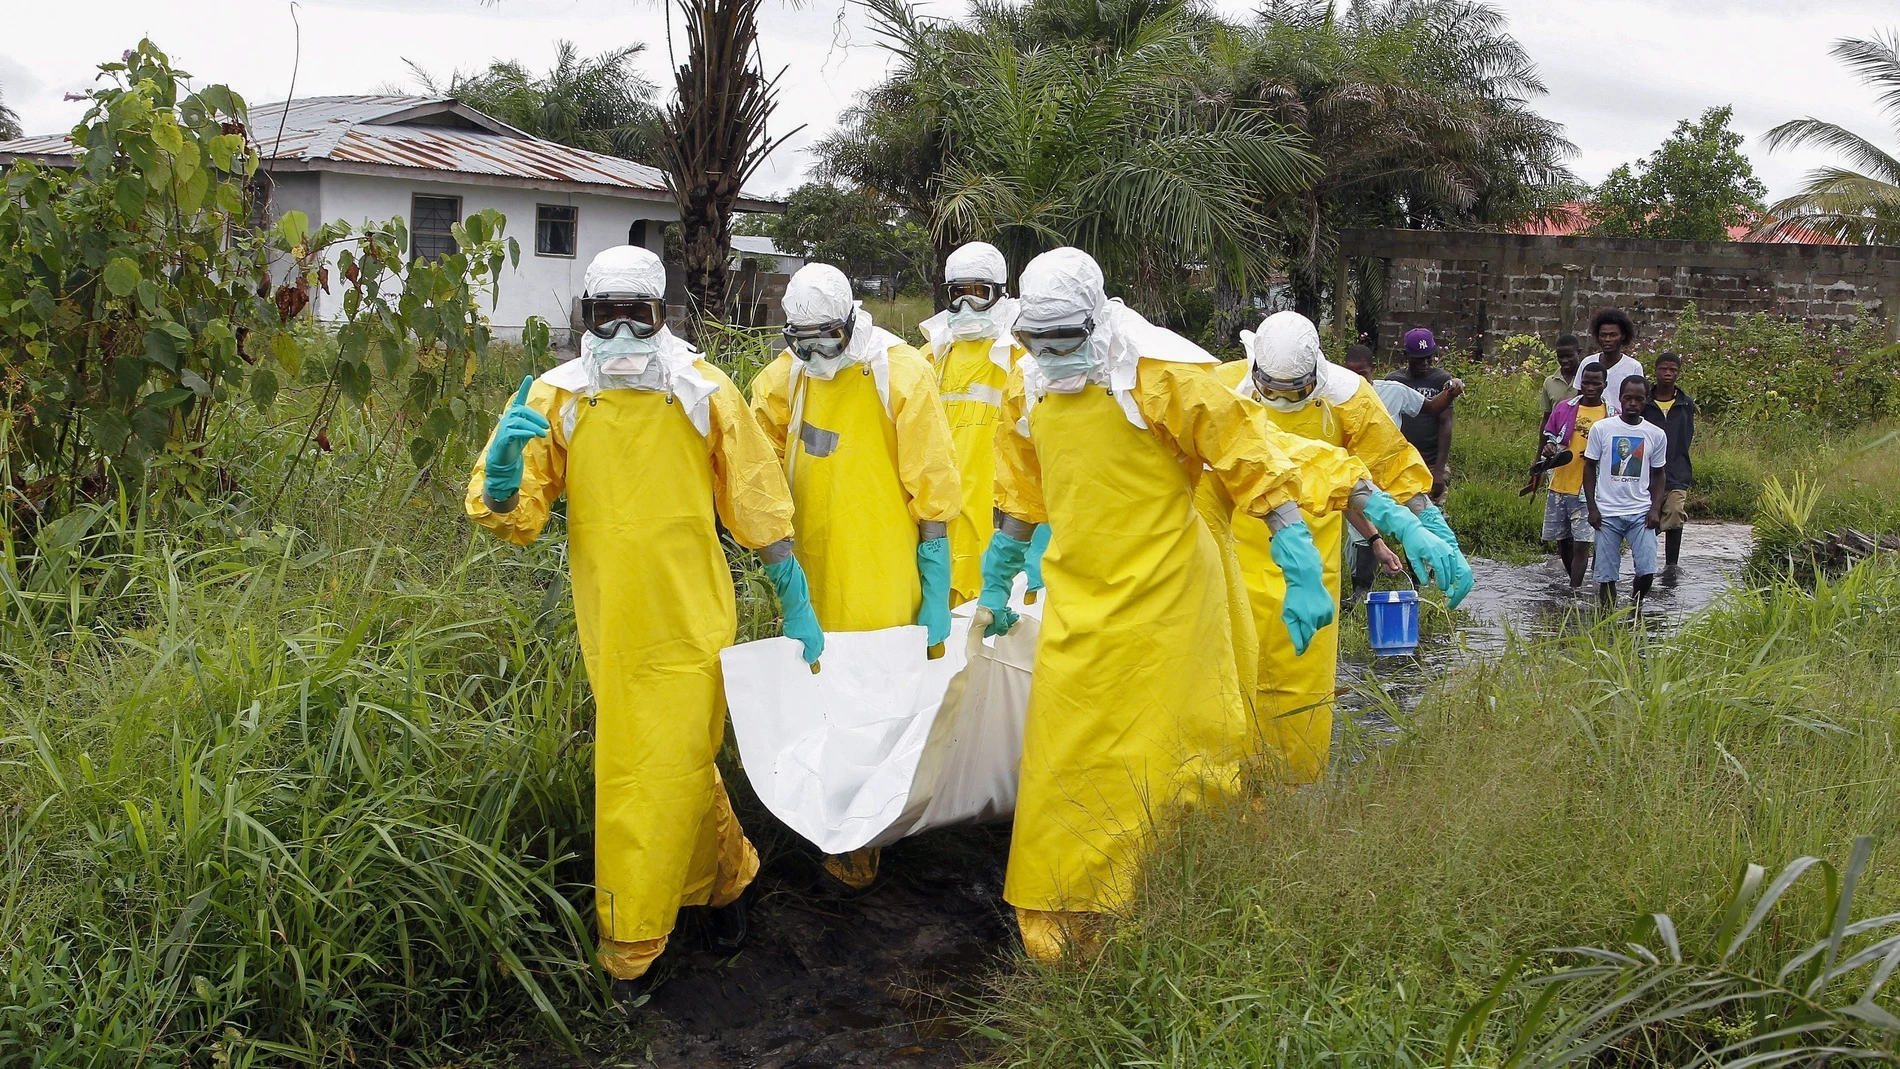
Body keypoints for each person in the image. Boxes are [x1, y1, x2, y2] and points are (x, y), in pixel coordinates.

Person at [465, 245, 823, 1009]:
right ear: (586, 317)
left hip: (694, 618)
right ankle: (726, 880)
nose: (624, 331)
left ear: (665, 315)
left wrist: (793, 593)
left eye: (640, 313)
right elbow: (518, 514)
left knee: (647, 767)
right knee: (674, 761)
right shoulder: (558, 397)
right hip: (613, 622)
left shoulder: (703, 391)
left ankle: (632, 942)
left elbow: (756, 499)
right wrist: (499, 484)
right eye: (608, 315)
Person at [974, 247, 1330, 963]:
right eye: (1035, 341)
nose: (1050, 355)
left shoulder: (1160, 374)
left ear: (1096, 321)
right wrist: (997, 572)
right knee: (1067, 755)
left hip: (1171, 598)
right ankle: (1067, 913)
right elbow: (1019, 490)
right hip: (1079, 596)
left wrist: (1298, 561)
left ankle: (1181, 897)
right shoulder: (1027, 386)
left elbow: (1249, 458)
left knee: (1176, 753)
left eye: (1063, 340)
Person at [749, 262, 962, 889]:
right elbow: (755, 469)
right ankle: (823, 816)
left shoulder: (900, 373)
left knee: (879, 699)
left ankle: (869, 830)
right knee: (818, 695)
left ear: (851, 323)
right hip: (811, 569)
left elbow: (933, 486)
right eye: (803, 344)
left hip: (883, 569)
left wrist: (935, 581)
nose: (818, 357)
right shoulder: (784, 380)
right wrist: (781, 572)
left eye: (829, 341)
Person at [1217, 313, 1471, 782]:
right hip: (1231, 557)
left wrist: (1429, 522)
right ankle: (1231, 795)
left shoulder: (1350, 397)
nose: (1282, 401)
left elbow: (1390, 461)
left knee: (1300, 686)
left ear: (1316, 374)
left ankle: (1291, 791)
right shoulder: (1221, 388)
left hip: (1312, 563)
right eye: (1272, 391)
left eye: (1295, 392)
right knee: (1227, 679)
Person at [915, 241, 1045, 605]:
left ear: (1001, 293)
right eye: (958, 294)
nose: (966, 305)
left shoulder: (1024, 357)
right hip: (943, 523)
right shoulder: (931, 357)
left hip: (1004, 522)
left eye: (978, 293)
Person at [1341, 343, 1460, 607]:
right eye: (1351, 374)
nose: (1357, 381)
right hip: (1357, 477)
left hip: (1392, 475)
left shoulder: (1392, 392)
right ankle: (1361, 593)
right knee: (1362, 534)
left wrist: (1452, 391)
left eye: (1362, 374)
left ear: (1372, 371)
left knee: (1411, 526)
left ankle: (1421, 586)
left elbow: (1432, 408)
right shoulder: (1338, 397)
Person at [1583, 375, 1668, 607]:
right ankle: (1607, 619)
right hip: (1607, 513)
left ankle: (1634, 607)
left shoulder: (1655, 434)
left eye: (1638, 399)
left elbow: (1659, 474)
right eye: (1628, 398)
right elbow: (1589, 467)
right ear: (1620, 398)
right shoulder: (1602, 429)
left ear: (1646, 400)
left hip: (1640, 513)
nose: (1632, 403)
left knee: (1647, 570)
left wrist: (1655, 508)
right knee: (1606, 575)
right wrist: (1592, 507)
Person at [1541, 361, 1609, 588]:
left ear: (1604, 384)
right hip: (1560, 483)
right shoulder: (1564, 408)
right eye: (1586, 382)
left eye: (1596, 383)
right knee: (1563, 542)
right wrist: (1549, 448)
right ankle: (1574, 585)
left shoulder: (1611, 416)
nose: (1590, 388)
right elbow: (1550, 438)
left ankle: (1574, 591)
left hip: (1588, 490)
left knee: (1582, 543)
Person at [1384, 328, 1464, 502]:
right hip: (1401, 463)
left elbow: (1445, 423)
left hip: (1431, 462)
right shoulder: (1393, 382)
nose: (1425, 363)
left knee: (1434, 512)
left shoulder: (1441, 380)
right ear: (1406, 355)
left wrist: (1439, 471)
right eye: (1419, 359)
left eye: (1429, 357)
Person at [1641, 352, 1696, 584]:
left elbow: (1687, 435)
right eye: (1663, 369)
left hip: (1677, 469)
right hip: (1647, 471)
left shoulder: (1685, 403)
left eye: (1673, 370)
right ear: (1655, 371)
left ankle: (1671, 565)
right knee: (1647, 517)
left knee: (1675, 512)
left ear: (1678, 373)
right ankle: (1646, 563)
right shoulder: (1644, 402)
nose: (1667, 373)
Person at [1573, 307, 1643, 404]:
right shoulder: (1587, 363)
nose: (1607, 339)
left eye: (1613, 335)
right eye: (1603, 335)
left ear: (1623, 336)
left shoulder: (1634, 367)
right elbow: (1579, 397)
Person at [1542, 335, 1581, 421]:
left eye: (1569, 356)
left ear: (1578, 352)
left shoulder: (1587, 380)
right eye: (1561, 356)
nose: (1564, 360)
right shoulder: (1549, 382)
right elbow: (1547, 417)